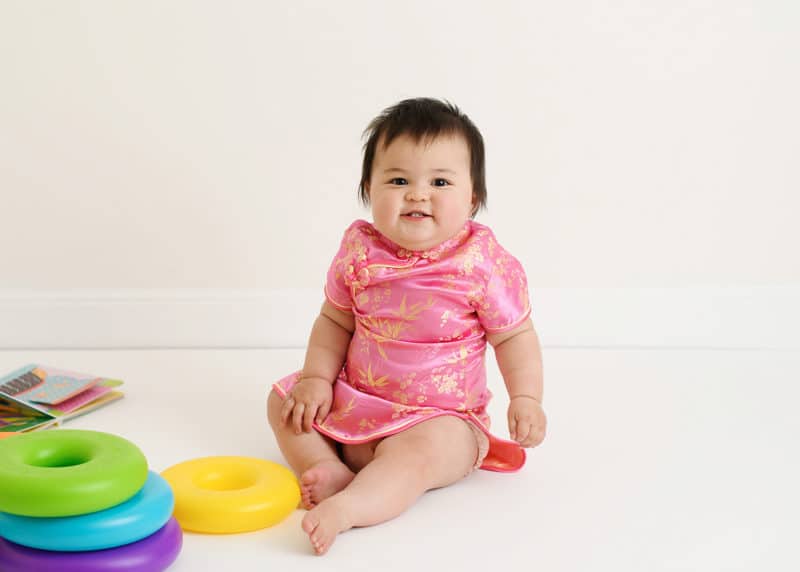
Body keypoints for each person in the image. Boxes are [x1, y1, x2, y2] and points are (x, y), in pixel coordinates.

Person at [266, 97, 546, 555]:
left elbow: (514, 335)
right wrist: (316, 380)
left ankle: (350, 507)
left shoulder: (480, 262)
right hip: (356, 406)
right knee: (284, 401)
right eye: (398, 180)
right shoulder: (359, 251)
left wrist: (527, 397)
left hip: (442, 422)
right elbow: (334, 319)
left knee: (419, 454)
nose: (417, 193)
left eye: (440, 181)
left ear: (472, 198)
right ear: (368, 191)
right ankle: (325, 465)